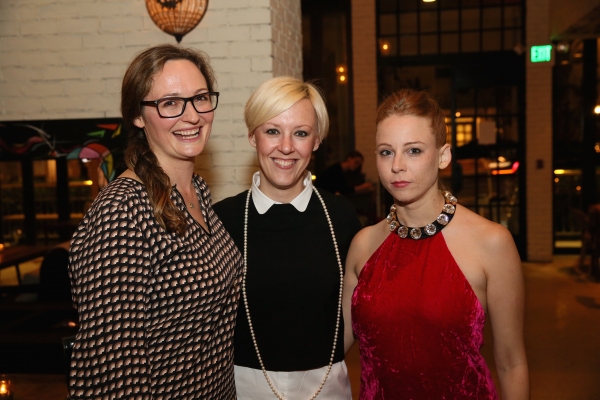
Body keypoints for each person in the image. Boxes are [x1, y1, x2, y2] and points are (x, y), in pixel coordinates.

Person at [67, 44, 242, 400]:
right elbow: (111, 373)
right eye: (170, 103)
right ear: (137, 115)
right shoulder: (123, 211)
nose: (192, 116)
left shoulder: (197, 194)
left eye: (200, 98)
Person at [343, 88, 529, 399]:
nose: (397, 165)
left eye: (413, 150)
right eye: (386, 151)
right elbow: (331, 344)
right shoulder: (364, 245)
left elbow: (511, 362)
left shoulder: (492, 243)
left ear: (443, 156)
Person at [213, 76, 362, 399]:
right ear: (253, 136)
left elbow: (357, 309)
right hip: (243, 389)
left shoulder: (341, 215)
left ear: (317, 140)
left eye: (301, 133)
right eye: (272, 131)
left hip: (327, 387)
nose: (286, 147)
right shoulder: (222, 219)